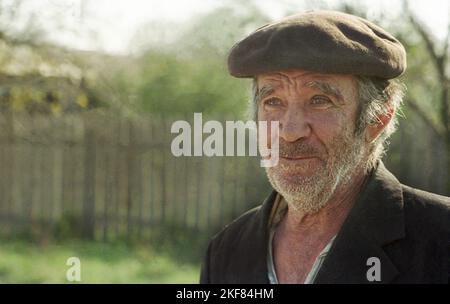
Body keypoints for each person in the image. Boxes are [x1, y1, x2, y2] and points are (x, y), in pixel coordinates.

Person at [199, 10, 450, 284]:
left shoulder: (440, 240)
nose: (290, 132)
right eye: (272, 101)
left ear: (377, 119)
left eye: (319, 100)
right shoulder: (226, 251)